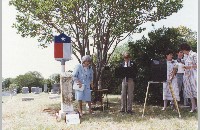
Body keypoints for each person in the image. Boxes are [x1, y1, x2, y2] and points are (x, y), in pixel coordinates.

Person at [180, 43, 197, 112]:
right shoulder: (185, 56)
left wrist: (189, 67)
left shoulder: (194, 54)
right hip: (187, 76)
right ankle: (193, 107)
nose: (182, 52)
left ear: (185, 49)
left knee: (196, 90)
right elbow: (184, 64)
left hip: (194, 75)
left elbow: (198, 65)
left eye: (182, 50)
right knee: (190, 92)